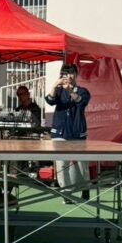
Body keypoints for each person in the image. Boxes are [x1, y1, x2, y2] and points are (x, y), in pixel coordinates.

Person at [45, 63, 91, 197]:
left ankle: (85, 187)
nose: (69, 77)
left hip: (77, 132)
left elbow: (81, 102)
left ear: (76, 75)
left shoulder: (83, 91)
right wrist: (54, 86)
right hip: (59, 132)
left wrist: (70, 91)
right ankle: (66, 193)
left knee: (80, 164)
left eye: (71, 73)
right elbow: (50, 101)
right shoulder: (59, 91)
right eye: (65, 74)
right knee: (61, 164)